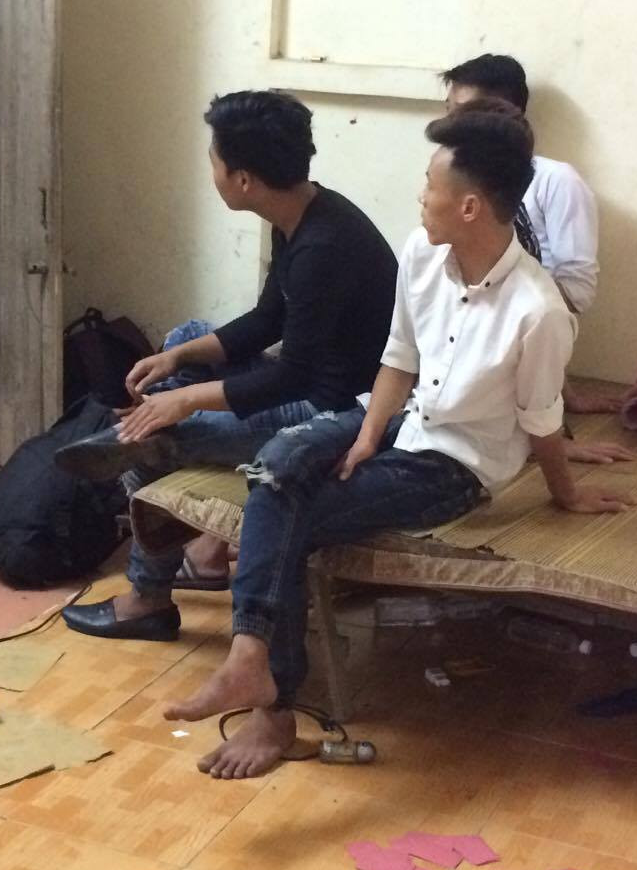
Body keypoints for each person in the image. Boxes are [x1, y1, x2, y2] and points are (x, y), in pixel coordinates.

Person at [162, 109, 633, 778]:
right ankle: (253, 666)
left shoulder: (539, 310)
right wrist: (366, 436)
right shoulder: (421, 253)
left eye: (430, 184)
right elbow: (399, 358)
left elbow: (540, 420)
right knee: (276, 466)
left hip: (453, 464)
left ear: (469, 207)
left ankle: (269, 696)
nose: (420, 194)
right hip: (394, 418)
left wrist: (567, 493)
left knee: (290, 509)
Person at [57, 91, 398, 644]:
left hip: (332, 410)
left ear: (243, 180)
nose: (211, 170)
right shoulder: (301, 213)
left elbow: (293, 377)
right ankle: (194, 529)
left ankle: (147, 596)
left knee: (157, 441)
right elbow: (267, 321)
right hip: (306, 379)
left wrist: (185, 400)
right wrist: (178, 359)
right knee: (185, 337)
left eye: (214, 160)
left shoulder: (323, 248)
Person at [441, 53, 600, 314]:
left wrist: (496, 304)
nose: (449, 125)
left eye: (463, 113)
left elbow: (577, 293)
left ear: (504, 115)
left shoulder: (556, 180)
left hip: (528, 334)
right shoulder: (447, 177)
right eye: (449, 110)